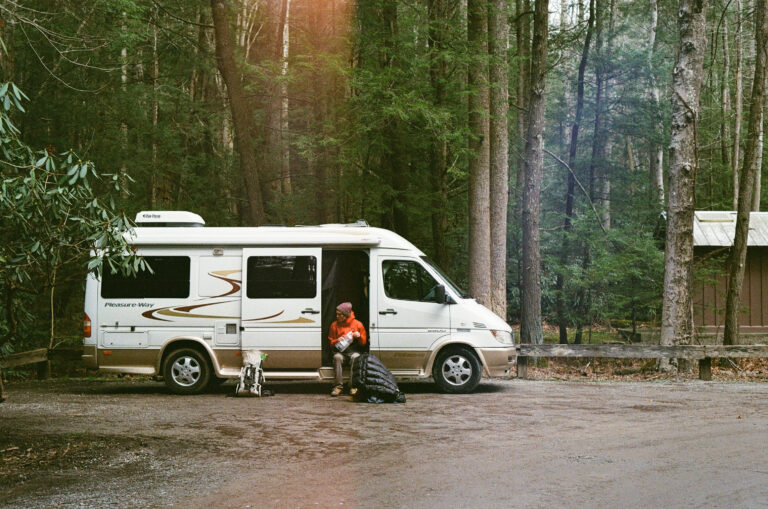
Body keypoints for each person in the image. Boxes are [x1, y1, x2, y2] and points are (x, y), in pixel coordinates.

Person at [328, 302, 367, 397]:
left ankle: (353, 386)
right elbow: (330, 342)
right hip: (341, 352)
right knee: (337, 357)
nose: (337, 316)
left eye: (339, 314)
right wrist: (337, 340)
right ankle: (338, 386)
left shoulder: (358, 324)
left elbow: (363, 343)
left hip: (353, 351)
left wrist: (359, 336)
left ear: (345, 315)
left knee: (356, 357)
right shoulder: (334, 325)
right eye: (336, 314)